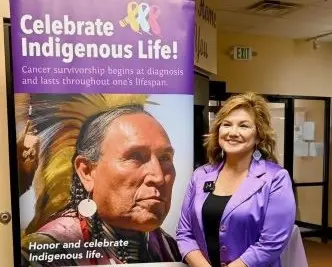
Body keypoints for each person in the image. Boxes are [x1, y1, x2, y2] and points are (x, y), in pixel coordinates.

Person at [20, 104, 181, 266]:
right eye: (135, 156)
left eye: (165, 158)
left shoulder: (168, 246)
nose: (159, 177)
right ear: (87, 172)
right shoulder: (46, 251)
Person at [176, 92, 296, 267]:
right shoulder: (200, 175)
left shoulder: (276, 179)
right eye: (226, 124)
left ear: (258, 135)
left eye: (243, 126)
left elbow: (270, 244)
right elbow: (184, 233)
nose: (233, 132)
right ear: (218, 131)